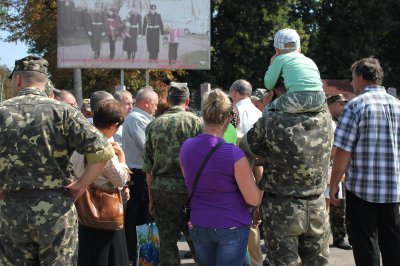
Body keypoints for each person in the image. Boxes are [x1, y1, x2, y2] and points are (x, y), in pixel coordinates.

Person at [0, 55, 114, 265]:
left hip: (11, 209)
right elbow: (103, 151)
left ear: (18, 79)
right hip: (56, 209)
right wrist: (80, 186)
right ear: (44, 82)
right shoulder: (63, 112)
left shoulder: (2, 111)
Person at [244, 86, 332, 265]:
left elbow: (248, 148)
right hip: (316, 205)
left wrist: (268, 109)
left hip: (281, 208)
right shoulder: (324, 117)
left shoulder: (272, 119)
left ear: (276, 91)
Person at [330, 58, 400, 266]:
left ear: (361, 77)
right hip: (393, 188)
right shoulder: (397, 105)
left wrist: (334, 184)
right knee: (393, 243)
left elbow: (343, 151)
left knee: (366, 243)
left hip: (362, 189)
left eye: (352, 78)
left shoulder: (355, 106)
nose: (352, 83)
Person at [180, 89, 262, 266]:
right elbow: (253, 198)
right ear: (228, 119)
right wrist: (262, 183)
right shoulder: (234, 154)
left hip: (199, 223)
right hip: (231, 224)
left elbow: (191, 182)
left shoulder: (186, 147)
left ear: (203, 115)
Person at [143, 82, 203, 265]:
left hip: (163, 189)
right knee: (198, 240)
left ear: (168, 100)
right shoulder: (196, 123)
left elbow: (148, 167)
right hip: (191, 190)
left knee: (167, 242)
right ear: (188, 100)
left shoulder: (153, 125)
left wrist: (151, 197)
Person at [70, 99, 130, 266]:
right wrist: (122, 157)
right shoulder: (103, 147)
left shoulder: (79, 143)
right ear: (114, 125)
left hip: (82, 210)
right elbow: (120, 179)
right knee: (107, 257)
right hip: (105, 216)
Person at [122, 86, 159, 264]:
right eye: (155, 104)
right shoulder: (136, 119)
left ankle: (141, 256)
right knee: (139, 219)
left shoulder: (141, 118)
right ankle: (137, 256)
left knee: (143, 217)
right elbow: (148, 148)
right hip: (138, 175)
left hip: (141, 174)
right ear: (146, 102)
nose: (156, 108)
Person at [229, 79, 263, 266]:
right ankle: (256, 261)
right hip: (252, 174)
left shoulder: (234, 113)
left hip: (234, 176)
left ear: (234, 92)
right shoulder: (260, 113)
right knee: (251, 225)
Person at [264, 28, 325, 113]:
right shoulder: (309, 60)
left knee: (269, 108)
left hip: (298, 98)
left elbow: (268, 84)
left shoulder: (280, 59)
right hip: (320, 98)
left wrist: (272, 64)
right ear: (299, 49)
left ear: (276, 50)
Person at [326, 94, 352, 251]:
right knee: (328, 205)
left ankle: (339, 236)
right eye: (339, 104)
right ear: (330, 104)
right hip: (327, 167)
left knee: (338, 204)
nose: (342, 107)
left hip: (336, 167)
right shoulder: (326, 121)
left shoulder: (338, 122)